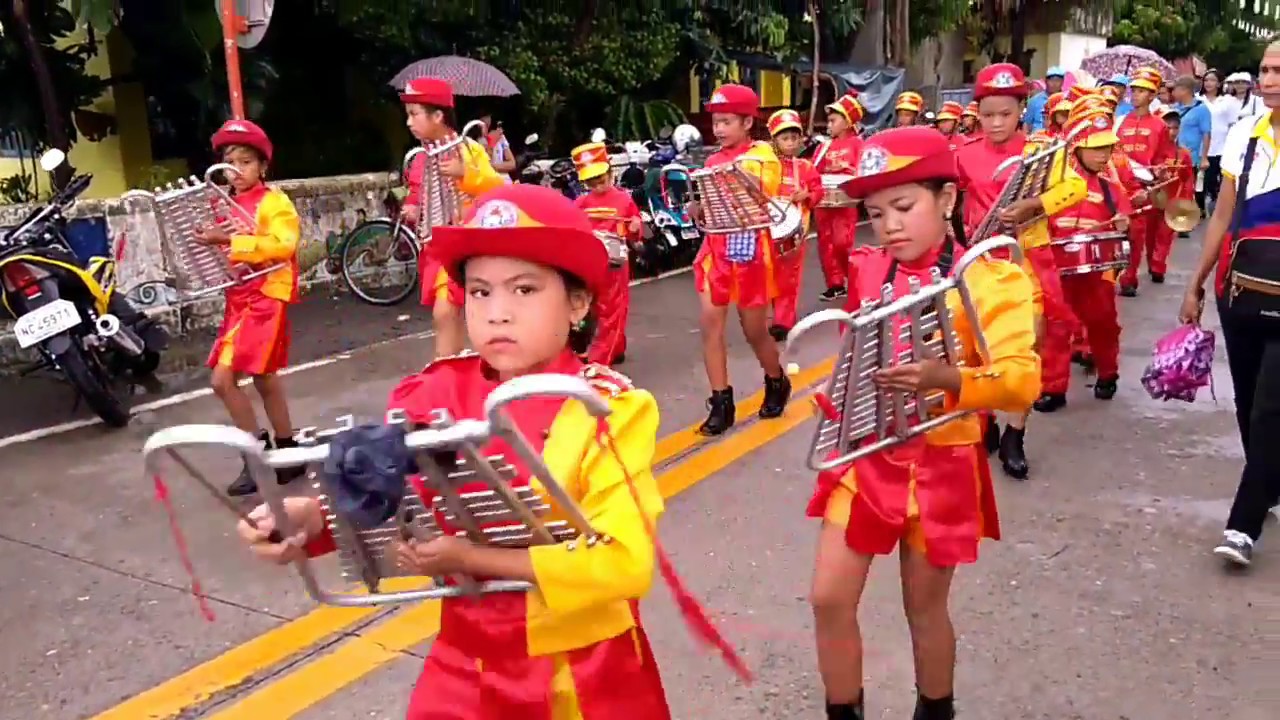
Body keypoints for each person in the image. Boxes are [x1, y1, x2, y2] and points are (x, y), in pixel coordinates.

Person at [237, 184, 683, 718]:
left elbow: (624, 564)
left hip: (583, 670)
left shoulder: (605, 408)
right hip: (464, 664)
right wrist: (311, 519)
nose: (498, 313)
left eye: (524, 290)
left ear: (578, 303)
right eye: (480, 292)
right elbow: (398, 500)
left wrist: (471, 559)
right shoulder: (433, 393)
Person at [808, 127, 1041, 720]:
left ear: (947, 199)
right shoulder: (869, 270)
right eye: (875, 213)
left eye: (904, 206)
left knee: (925, 609)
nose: (889, 225)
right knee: (829, 597)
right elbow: (857, 354)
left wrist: (949, 378)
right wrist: (835, 396)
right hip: (869, 455)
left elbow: (1021, 380)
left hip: (943, 464)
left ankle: (936, 711)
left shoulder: (986, 278)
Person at [954, 63, 1086, 480]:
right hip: (980, 262)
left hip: (1028, 261)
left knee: (1025, 348)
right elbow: (945, 195)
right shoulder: (964, 153)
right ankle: (986, 419)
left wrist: (1034, 206)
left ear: (1021, 110)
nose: (996, 123)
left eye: (1005, 114)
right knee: (976, 346)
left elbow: (1076, 186)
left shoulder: (1040, 151)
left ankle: (1016, 433)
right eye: (988, 114)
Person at [1178, 40, 1280, 568]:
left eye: (1279, 70)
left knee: (1269, 407)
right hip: (1240, 288)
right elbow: (1220, 216)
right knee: (1246, 401)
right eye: (1265, 69)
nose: (1270, 79)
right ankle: (1268, 481)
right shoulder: (1244, 133)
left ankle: (1243, 525)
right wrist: (1196, 283)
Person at [196, 120, 306, 497]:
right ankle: (284, 451)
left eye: (246, 162)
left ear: (263, 166)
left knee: (225, 380)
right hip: (240, 298)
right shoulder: (221, 203)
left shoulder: (274, 202)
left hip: (267, 295)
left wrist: (229, 240)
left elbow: (283, 245)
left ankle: (261, 456)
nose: (237, 170)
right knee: (263, 377)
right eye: (230, 162)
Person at [689, 83, 792, 435]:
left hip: (750, 252)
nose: (718, 129)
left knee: (754, 331)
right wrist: (697, 208)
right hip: (716, 251)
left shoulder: (763, 157)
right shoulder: (711, 161)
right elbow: (708, 208)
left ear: (747, 123)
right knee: (710, 325)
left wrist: (734, 175)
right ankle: (721, 402)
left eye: (726, 122)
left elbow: (763, 194)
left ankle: (776, 380)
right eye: (716, 122)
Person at [400, 78, 506, 358]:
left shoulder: (467, 149)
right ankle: (454, 363)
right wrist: (412, 208)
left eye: (414, 114)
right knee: (449, 313)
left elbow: (497, 189)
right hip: (435, 244)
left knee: (446, 311)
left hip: (463, 241)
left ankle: (444, 364)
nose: (409, 122)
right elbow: (417, 191)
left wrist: (465, 174)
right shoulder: (423, 157)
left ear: (438, 116)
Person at [1037, 99, 1131, 410]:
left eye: (1107, 148)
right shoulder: (1053, 184)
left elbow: (1125, 221)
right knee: (1056, 327)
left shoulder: (1111, 189)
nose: (1104, 155)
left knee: (1104, 323)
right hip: (1056, 268)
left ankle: (1108, 373)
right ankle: (1053, 388)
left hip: (1097, 271)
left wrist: (1123, 222)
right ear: (1076, 146)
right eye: (1096, 148)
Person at [572, 140, 640, 366]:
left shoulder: (624, 199)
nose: (598, 185)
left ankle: (601, 359)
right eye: (591, 182)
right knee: (591, 308)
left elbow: (635, 228)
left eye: (600, 179)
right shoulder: (581, 203)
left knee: (614, 310)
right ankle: (612, 348)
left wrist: (635, 227)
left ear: (610, 173)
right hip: (591, 262)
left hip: (615, 263)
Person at [1116, 67, 1177, 295]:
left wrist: (1163, 170)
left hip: (1143, 186)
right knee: (1117, 232)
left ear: (1152, 96)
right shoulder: (1119, 121)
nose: (1135, 95)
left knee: (1137, 234)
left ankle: (1129, 278)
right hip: (1118, 184)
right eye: (1134, 90)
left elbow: (1164, 155)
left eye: (1141, 91)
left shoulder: (1160, 125)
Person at [767, 108, 824, 339]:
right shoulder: (767, 166)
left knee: (789, 278)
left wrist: (806, 195)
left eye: (794, 137)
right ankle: (774, 314)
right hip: (769, 230)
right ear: (775, 141)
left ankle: (783, 321)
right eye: (785, 138)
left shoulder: (806, 167)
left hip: (796, 232)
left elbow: (818, 191)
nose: (790, 143)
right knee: (770, 276)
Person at [814, 93, 865, 302]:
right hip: (824, 200)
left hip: (845, 201)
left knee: (842, 242)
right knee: (825, 243)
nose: (829, 125)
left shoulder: (857, 144)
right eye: (829, 120)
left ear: (847, 122)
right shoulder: (823, 146)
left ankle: (852, 277)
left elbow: (862, 170)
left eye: (833, 120)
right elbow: (813, 170)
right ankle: (834, 284)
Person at [1171, 75, 1212, 217]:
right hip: (1176, 157)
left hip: (1193, 156)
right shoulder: (1174, 109)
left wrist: (1204, 157)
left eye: (1175, 89)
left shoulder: (1201, 109)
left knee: (1192, 187)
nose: (1172, 93)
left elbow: (1206, 133)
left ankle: (1196, 213)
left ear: (1184, 90)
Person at [1200, 69, 1241, 211]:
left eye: (1212, 80)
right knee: (1205, 181)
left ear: (1219, 83)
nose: (1208, 83)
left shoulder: (1228, 101)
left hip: (1223, 146)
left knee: (1223, 179)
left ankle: (1221, 206)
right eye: (1206, 80)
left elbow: (1234, 123)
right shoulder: (1198, 100)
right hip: (1203, 147)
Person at [1024, 66, 1065, 133]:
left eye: (1057, 80)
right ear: (1045, 81)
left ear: (1062, 82)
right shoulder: (1035, 100)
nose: (1054, 83)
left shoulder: (1066, 101)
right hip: (1037, 137)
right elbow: (1026, 124)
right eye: (1051, 80)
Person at [479, 113, 517, 181]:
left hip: (506, 181)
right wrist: (491, 143)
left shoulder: (500, 137)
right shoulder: (477, 141)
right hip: (490, 182)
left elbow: (512, 164)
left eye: (487, 116)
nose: (486, 120)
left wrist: (494, 166)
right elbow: (484, 166)